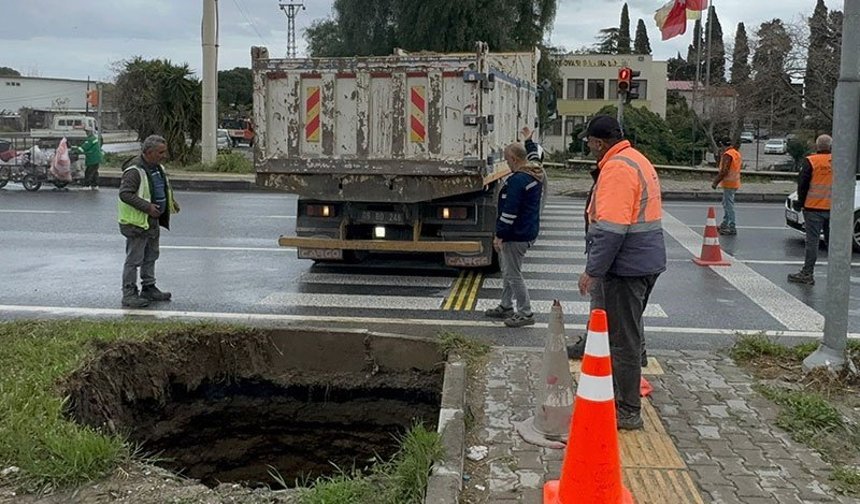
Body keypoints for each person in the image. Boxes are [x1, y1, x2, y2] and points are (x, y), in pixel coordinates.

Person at [580, 115, 666, 430]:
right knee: (629, 330)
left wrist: (592, 270)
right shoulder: (635, 159)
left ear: (599, 142)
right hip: (644, 261)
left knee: (621, 339)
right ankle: (626, 389)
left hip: (627, 266)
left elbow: (612, 230)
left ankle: (627, 409)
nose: (588, 146)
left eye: (588, 141)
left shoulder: (616, 168)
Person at [484, 126, 545, 328]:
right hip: (527, 230)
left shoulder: (518, 181)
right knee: (508, 269)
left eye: (508, 159)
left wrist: (499, 235)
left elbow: (510, 212)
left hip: (516, 234)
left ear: (515, 159)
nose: (507, 163)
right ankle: (505, 305)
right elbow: (534, 155)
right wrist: (528, 140)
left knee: (513, 274)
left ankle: (525, 312)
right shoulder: (535, 170)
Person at [118, 135, 179, 308]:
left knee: (151, 255)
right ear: (149, 152)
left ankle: (149, 287)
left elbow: (158, 187)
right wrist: (147, 207)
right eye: (160, 152)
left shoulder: (157, 167)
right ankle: (129, 294)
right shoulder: (134, 170)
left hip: (151, 220)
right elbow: (125, 194)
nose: (164, 155)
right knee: (134, 259)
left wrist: (170, 201)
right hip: (137, 223)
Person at [788, 134, 833, 285]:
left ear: (817, 146)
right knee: (832, 242)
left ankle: (807, 273)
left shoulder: (811, 161)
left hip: (813, 208)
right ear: (831, 146)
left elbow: (803, 185)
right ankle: (836, 272)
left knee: (812, 242)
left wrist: (800, 203)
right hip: (833, 209)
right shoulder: (838, 161)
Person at [711, 139, 742, 235]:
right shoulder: (736, 153)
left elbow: (724, 170)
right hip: (735, 182)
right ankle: (725, 224)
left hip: (729, 183)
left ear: (722, 145)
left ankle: (731, 227)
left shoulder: (728, 155)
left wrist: (715, 182)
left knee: (728, 205)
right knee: (726, 203)